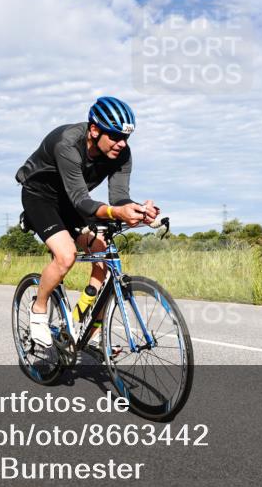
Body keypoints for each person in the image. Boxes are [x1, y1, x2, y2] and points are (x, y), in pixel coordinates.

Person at [15, 96, 159, 351]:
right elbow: (82, 201)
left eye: (126, 137)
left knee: (104, 255)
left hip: (72, 202)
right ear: (94, 130)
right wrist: (117, 212)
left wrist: (136, 209)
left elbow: (119, 198)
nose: (122, 144)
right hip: (41, 197)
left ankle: (88, 326)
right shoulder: (67, 143)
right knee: (66, 256)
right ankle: (38, 309)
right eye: (115, 136)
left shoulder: (122, 154)